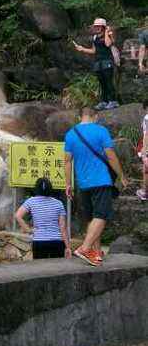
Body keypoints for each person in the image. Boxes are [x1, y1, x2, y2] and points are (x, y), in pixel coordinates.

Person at [64, 105, 124, 266]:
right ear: (95, 116)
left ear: (79, 117)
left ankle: (96, 253)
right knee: (102, 216)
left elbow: (67, 161)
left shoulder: (71, 134)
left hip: (82, 183)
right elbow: (111, 156)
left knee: (92, 218)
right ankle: (84, 248)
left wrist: (68, 184)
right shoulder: (100, 131)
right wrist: (121, 176)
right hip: (101, 180)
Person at [15, 177, 71, 259]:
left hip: (39, 241)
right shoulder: (58, 203)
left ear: (36, 188)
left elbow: (18, 216)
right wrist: (68, 247)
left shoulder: (31, 201)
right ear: (50, 188)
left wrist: (28, 230)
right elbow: (63, 228)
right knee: (57, 269)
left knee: (40, 269)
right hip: (57, 242)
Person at [72, 18, 118, 109]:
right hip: (98, 62)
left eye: (98, 26)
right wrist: (82, 49)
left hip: (107, 61)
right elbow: (94, 50)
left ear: (103, 27)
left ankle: (113, 101)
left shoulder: (109, 35)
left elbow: (108, 44)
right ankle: (104, 101)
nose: (96, 28)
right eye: (95, 26)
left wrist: (106, 32)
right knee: (102, 83)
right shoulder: (95, 37)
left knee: (109, 82)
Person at [137, 100, 148, 202]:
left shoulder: (147, 118)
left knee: (146, 169)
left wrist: (144, 151)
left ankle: (145, 191)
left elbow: (146, 135)